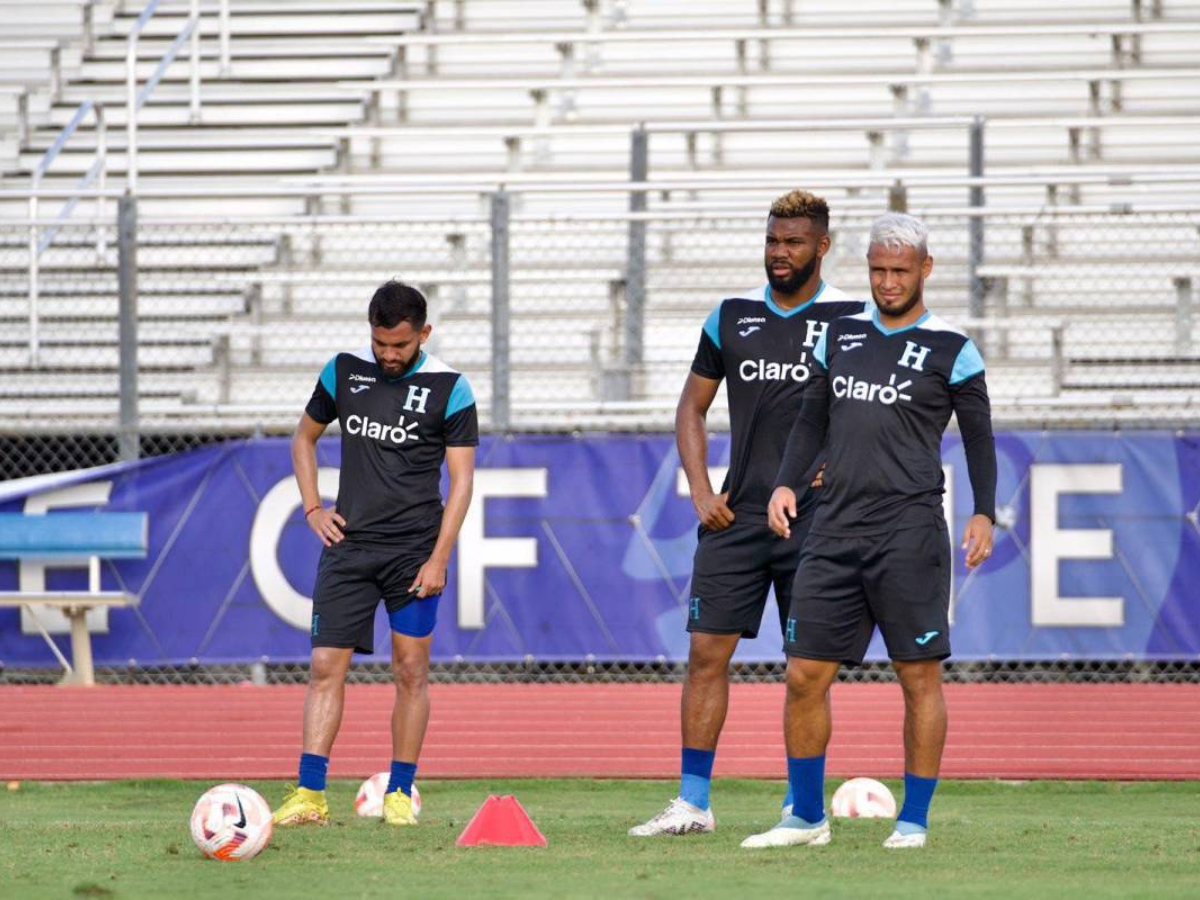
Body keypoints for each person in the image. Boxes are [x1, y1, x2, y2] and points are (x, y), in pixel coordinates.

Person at [740, 212, 996, 851]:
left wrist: (984, 510)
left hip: (908, 534)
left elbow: (979, 439)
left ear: (925, 271)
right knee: (803, 675)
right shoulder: (841, 336)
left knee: (918, 679)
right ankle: (805, 817)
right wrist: (785, 484)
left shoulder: (952, 349)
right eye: (878, 270)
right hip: (831, 532)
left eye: (899, 271)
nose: (886, 283)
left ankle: (914, 819)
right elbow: (810, 421)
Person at [630, 190, 867, 837]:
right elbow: (691, 408)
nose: (780, 253)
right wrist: (702, 492)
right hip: (736, 519)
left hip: (818, 524)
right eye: (772, 241)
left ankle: (802, 806)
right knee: (707, 654)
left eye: (793, 242)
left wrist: (840, 468)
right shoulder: (731, 316)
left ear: (822, 246)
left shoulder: (853, 316)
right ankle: (693, 803)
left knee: (804, 671)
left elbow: (875, 413)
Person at [272, 280, 477, 828]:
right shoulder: (342, 371)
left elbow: (461, 483)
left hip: (414, 551)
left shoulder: (451, 388)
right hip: (350, 548)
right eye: (381, 344)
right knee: (322, 667)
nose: (389, 355)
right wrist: (313, 507)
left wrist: (438, 559)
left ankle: (398, 795)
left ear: (423, 334)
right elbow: (302, 438)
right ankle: (310, 794)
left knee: (410, 671)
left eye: (401, 346)